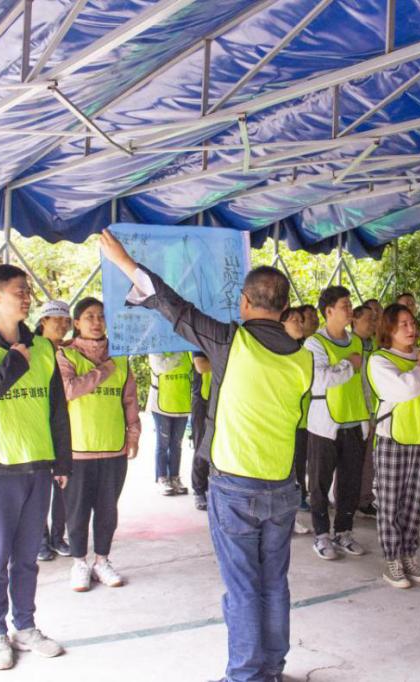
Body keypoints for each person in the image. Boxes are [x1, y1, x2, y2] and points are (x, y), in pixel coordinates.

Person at [100, 229, 313, 682]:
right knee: (274, 582)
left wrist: (123, 262)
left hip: (235, 485)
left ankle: (244, 675)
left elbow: (174, 306)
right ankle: (272, 669)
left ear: (244, 302)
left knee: (243, 587)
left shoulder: (232, 342)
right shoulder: (303, 358)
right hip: (283, 485)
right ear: (284, 308)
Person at [0, 264, 71, 670]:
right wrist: (13, 362)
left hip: (37, 464)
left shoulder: (43, 348)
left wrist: (62, 460)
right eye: (18, 291)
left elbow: (57, 408)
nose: (26, 297)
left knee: (26, 558)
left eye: (27, 291)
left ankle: (25, 626)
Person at [57, 297, 141, 592]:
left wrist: (133, 434)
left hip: (113, 447)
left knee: (107, 510)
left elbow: (129, 399)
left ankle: (102, 561)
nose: (96, 322)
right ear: (76, 323)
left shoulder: (120, 357)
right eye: (89, 316)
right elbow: (69, 389)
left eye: (102, 316)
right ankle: (80, 563)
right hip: (77, 451)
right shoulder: (65, 355)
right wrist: (104, 371)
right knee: (77, 511)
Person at [366, 303, 420, 589]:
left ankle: (409, 555)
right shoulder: (380, 359)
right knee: (390, 503)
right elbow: (406, 388)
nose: (411, 329)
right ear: (389, 329)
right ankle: (393, 560)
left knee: (414, 503)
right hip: (393, 438)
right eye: (403, 324)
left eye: (412, 323)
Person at [304, 286, 370, 561]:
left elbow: (364, 383)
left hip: (354, 421)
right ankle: (321, 535)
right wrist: (348, 365)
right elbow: (320, 379)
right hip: (325, 424)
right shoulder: (314, 343)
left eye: (350, 304)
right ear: (329, 311)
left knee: (350, 482)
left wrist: (369, 415)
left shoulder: (357, 342)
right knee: (319, 483)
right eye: (345, 305)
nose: (350, 309)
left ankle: (344, 532)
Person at [34, 300, 72, 561]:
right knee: (38, 488)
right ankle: (40, 540)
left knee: (62, 482)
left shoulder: (68, 351)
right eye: (56, 319)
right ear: (43, 321)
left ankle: (58, 537)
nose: (62, 324)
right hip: (37, 425)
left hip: (63, 426)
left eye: (66, 319)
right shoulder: (33, 349)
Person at [281, 308, 312, 521]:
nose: (300, 324)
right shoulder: (276, 350)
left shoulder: (304, 349)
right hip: (283, 419)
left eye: (301, 320)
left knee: (299, 462)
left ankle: (297, 499)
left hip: (302, 417)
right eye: (295, 320)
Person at [148, 350, 193, 495]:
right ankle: (162, 478)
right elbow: (162, 367)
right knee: (163, 443)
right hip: (161, 404)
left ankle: (174, 477)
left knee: (176, 444)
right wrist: (180, 352)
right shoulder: (155, 349)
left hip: (182, 403)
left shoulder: (189, 351)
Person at [352, 305, 379, 517]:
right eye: (368, 319)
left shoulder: (373, 345)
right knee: (351, 460)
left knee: (368, 458)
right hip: (353, 411)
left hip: (371, 410)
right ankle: (348, 499)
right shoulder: (350, 344)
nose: (373, 323)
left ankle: (364, 498)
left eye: (374, 319)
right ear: (354, 320)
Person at [190, 351, 213, 511]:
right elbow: (201, 366)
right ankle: (199, 490)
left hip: (221, 398)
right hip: (202, 401)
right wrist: (225, 357)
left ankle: (214, 488)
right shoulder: (198, 342)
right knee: (201, 446)